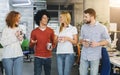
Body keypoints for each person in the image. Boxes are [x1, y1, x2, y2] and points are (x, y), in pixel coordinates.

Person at [79, 8, 111, 75]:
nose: (84, 18)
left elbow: (108, 40)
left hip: (95, 56)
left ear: (92, 16)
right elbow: (80, 38)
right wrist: (83, 42)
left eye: (86, 17)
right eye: (84, 16)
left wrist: (98, 44)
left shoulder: (102, 27)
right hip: (84, 55)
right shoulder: (83, 27)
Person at [29, 10, 55, 75]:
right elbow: (30, 45)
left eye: (47, 18)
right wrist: (33, 42)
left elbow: (54, 43)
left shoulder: (51, 31)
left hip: (48, 57)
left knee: (48, 73)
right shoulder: (34, 32)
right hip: (38, 57)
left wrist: (52, 47)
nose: (46, 19)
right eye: (44, 18)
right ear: (40, 19)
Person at [0, 11, 23, 75]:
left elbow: (20, 42)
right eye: (18, 18)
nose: (19, 19)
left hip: (19, 55)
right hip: (7, 56)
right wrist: (15, 37)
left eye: (20, 18)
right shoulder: (5, 29)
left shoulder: (19, 28)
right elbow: (3, 43)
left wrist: (21, 39)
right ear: (13, 18)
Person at [54, 11, 78, 75]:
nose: (60, 19)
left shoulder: (73, 28)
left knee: (66, 73)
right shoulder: (58, 28)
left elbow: (75, 42)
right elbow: (54, 41)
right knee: (60, 73)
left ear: (65, 18)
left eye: (61, 17)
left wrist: (68, 39)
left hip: (69, 54)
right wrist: (57, 39)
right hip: (59, 53)